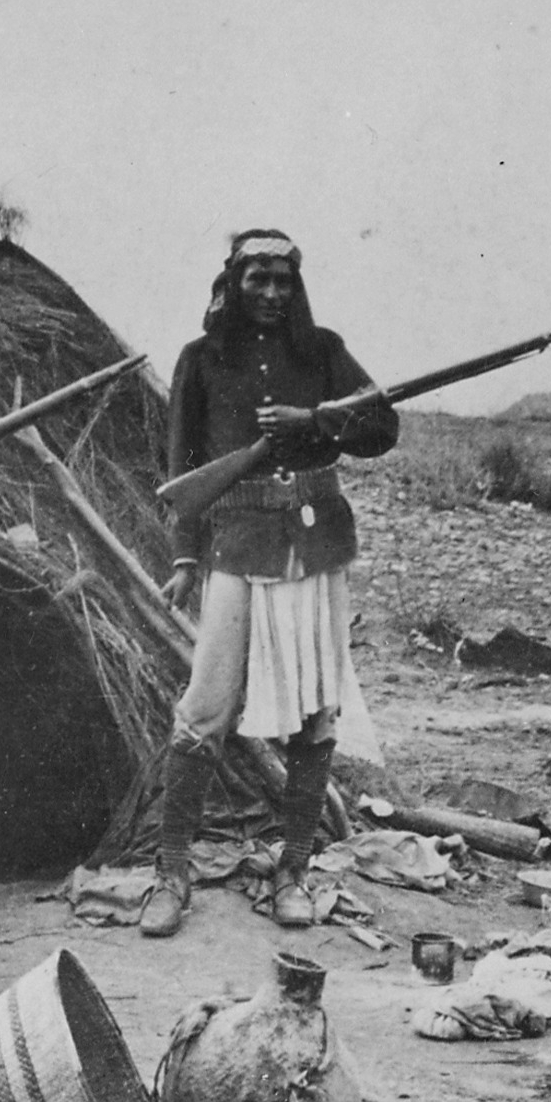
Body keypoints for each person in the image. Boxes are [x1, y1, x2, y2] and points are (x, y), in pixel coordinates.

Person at [142, 229, 398, 938]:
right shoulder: (201, 360)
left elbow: (383, 426)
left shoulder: (322, 351)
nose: (272, 293)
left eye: (283, 280)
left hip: (315, 547)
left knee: (316, 712)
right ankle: (171, 874)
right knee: (205, 708)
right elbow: (183, 473)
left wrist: (315, 419)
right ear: (234, 280)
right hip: (237, 543)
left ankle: (293, 869)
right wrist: (186, 560)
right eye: (258, 278)